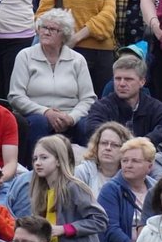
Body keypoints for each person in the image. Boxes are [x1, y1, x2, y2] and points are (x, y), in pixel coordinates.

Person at [8, 9, 97, 155]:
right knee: (39, 122)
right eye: (43, 27)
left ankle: (87, 166)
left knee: (86, 125)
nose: (46, 32)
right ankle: (35, 165)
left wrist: (71, 118)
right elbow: (15, 96)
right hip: (36, 115)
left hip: (69, 115)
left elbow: (88, 99)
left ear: (64, 35)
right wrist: (46, 112)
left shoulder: (78, 60)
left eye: (53, 29)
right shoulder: (25, 56)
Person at [28, 135, 109, 242]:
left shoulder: (74, 186)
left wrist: (64, 229)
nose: (37, 163)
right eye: (35, 159)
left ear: (58, 161)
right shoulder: (40, 191)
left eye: (44, 158)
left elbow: (100, 220)